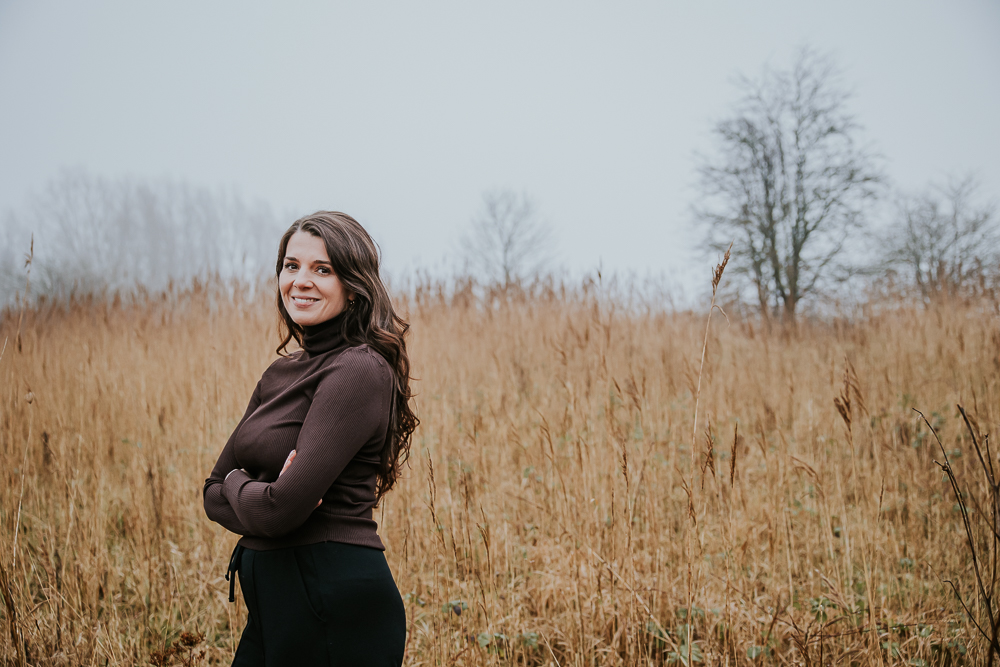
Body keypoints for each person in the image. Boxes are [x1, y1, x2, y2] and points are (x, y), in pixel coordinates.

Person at [203, 211, 417, 666]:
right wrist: (260, 491)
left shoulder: (358, 368)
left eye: (323, 269)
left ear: (354, 285)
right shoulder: (281, 372)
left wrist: (241, 486)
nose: (300, 280)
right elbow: (210, 491)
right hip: (274, 610)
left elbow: (284, 509)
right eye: (291, 265)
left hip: (336, 608)